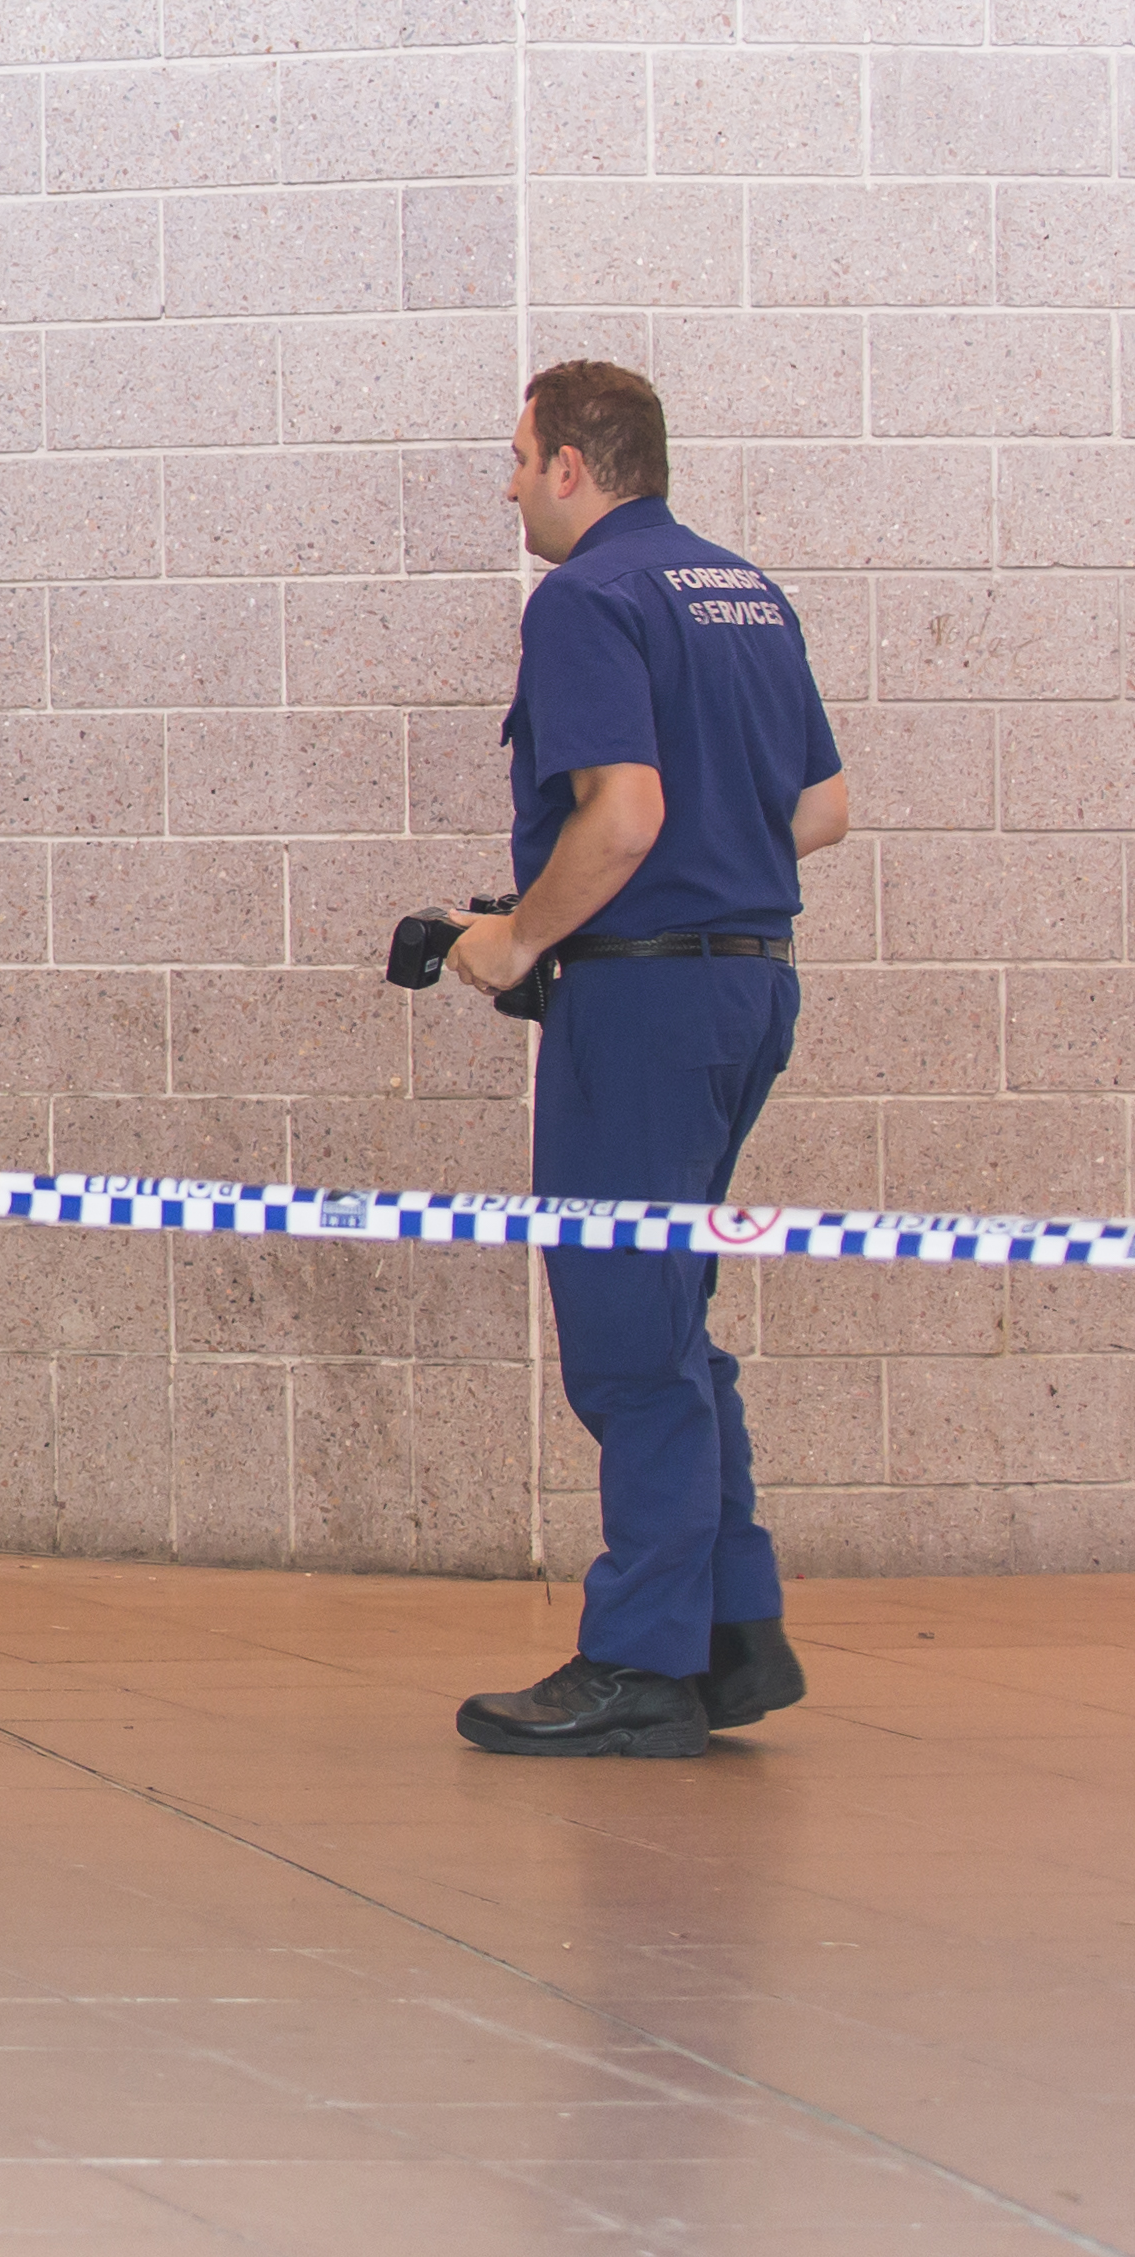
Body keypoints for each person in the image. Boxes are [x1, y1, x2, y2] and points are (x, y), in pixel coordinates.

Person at [442, 359, 849, 1759]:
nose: (504, 486)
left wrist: (510, 938)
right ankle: (731, 1634)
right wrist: (689, 875)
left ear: (570, 463)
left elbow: (618, 819)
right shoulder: (740, 590)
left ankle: (637, 1659)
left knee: (622, 1335)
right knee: (667, 1311)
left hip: (641, 1007)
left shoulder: (585, 601)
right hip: (746, 992)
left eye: (513, 459)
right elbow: (823, 808)